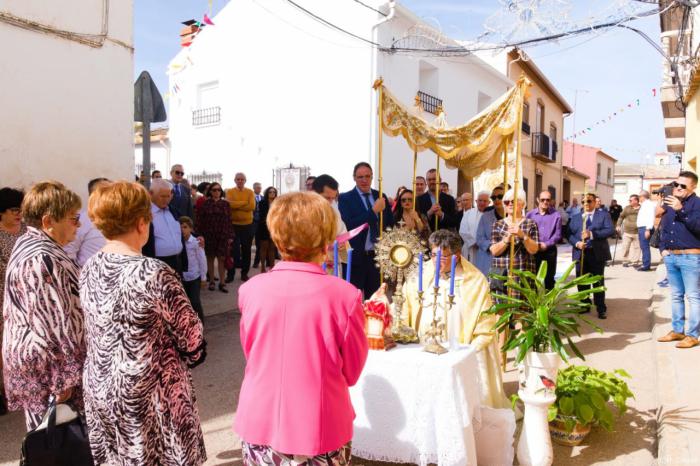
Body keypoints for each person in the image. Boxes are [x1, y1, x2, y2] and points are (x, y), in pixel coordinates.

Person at [235, 191, 368, 465]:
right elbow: (352, 372)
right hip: (319, 424)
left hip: (259, 417)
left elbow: (253, 353)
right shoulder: (345, 296)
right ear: (324, 239)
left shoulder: (251, 289)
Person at [80, 181, 206, 465]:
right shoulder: (152, 271)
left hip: (103, 386)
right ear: (141, 222)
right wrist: (193, 353)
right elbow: (191, 334)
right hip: (152, 393)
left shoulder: (90, 266)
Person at [2, 181, 85, 430]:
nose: (78, 224)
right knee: (57, 442)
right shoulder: (42, 257)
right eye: (73, 218)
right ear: (49, 221)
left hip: (44, 367)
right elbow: (51, 323)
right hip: (50, 371)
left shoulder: (34, 244)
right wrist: (65, 379)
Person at [402, 230, 510, 409]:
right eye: (433, 254)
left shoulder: (474, 280)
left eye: (443, 256)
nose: (436, 260)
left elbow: (486, 321)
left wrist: (468, 351)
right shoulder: (420, 273)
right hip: (424, 347)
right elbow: (405, 304)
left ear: (457, 255)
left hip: (460, 349)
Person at [656, 171, 700, 348]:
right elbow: (663, 228)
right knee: (675, 296)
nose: (678, 188)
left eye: (683, 186)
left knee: (693, 297)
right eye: (676, 185)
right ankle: (677, 330)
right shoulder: (669, 204)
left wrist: (681, 210)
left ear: (693, 187)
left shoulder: (697, 204)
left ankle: (693, 335)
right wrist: (663, 249)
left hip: (691, 256)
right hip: (671, 257)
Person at [338, 162, 394, 299]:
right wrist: (373, 211)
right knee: (353, 299)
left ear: (372, 177)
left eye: (367, 176)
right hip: (356, 258)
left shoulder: (380, 196)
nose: (364, 180)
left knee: (375, 299)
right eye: (360, 177)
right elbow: (349, 225)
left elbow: (389, 224)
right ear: (354, 178)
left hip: (376, 258)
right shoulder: (345, 198)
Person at [0, 187, 26, 415]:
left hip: (26, 297)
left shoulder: (27, 230)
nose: (19, 214)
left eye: (21, 209)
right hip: (3, 296)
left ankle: (20, 389)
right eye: (14, 210)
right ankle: (3, 392)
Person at [568, 193, 614, 319]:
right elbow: (568, 234)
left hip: (597, 254)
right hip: (581, 254)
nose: (586, 204)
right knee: (582, 281)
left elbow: (610, 230)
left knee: (598, 282)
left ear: (595, 202)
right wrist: (577, 243)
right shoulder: (576, 217)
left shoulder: (603, 215)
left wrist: (592, 234)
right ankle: (584, 304)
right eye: (584, 202)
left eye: (589, 201)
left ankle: (600, 308)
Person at [489, 189, 540, 302]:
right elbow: (494, 251)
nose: (510, 204)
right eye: (507, 202)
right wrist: (506, 239)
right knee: (500, 311)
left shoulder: (530, 224)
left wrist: (522, 235)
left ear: (523, 204)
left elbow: (534, 250)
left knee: (521, 314)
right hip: (502, 274)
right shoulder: (497, 224)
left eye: (514, 201)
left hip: (522, 274)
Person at [143, 179, 188, 275]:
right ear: (150, 194)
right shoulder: (144, 214)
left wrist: (196, 237)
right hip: (157, 266)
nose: (166, 199)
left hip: (177, 262)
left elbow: (180, 230)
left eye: (168, 196)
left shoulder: (174, 211)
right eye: (162, 196)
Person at [64, 177, 110, 267]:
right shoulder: (81, 220)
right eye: (104, 191)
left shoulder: (119, 219)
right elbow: (69, 252)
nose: (109, 195)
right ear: (92, 197)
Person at [196, 182, 233, 292]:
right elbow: (199, 220)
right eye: (214, 190)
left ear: (221, 191)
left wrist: (230, 235)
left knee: (222, 259)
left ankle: (222, 283)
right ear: (210, 192)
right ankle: (211, 281)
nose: (216, 192)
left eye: (218, 190)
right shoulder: (205, 204)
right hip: (209, 235)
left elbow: (229, 220)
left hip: (223, 235)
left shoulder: (226, 204)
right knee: (210, 258)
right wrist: (199, 234)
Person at [312, 174, 349, 276]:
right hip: (312, 266)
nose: (330, 202)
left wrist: (342, 245)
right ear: (314, 193)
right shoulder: (302, 212)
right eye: (327, 198)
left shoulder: (334, 211)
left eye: (333, 198)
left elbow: (342, 233)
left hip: (333, 264)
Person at [526, 190, 562, 290]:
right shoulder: (530, 215)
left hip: (549, 251)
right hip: (533, 251)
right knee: (532, 279)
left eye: (548, 200)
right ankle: (534, 304)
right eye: (543, 199)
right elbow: (525, 232)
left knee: (549, 279)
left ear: (551, 201)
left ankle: (548, 305)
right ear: (538, 200)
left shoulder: (556, 215)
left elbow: (558, 235)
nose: (545, 202)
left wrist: (546, 244)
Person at [226, 172, 256, 282]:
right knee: (232, 251)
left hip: (247, 225)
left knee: (246, 250)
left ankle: (244, 273)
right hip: (234, 225)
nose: (240, 181)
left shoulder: (250, 192)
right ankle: (231, 274)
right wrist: (244, 203)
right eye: (238, 179)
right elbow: (229, 205)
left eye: (242, 179)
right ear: (235, 180)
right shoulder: (230, 191)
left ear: (245, 181)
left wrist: (236, 204)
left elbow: (252, 206)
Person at [180, 216, 208, 321]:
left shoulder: (196, 243)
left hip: (194, 277)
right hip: (183, 278)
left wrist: (203, 277)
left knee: (195, 302)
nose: (182, 230)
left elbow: (202, 260)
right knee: (185, 304)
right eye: (180, 228)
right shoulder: (178, 243)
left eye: (185, 227)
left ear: (191, 228)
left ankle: (200, 324)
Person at [474, 185, 505, 277]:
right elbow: (479, 238)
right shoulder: (485, 216)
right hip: (487, 259)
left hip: (505, 260)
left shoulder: (513, 217)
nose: (496, 200)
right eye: (493, 197)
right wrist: (496, 246)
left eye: (500, 197)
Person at [460, 191, 489, 263]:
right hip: (470, 248)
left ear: (489, 202)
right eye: (480, 200)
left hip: (486, 249)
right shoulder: (468, 213)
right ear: (476, 201)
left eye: (485, 201)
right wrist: (474, 243)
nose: (482, 203)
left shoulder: (492, 215)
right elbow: (463, 231)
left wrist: (484, 244)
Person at [256, 186, 278, 273]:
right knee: (263, 248)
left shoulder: (278, 203)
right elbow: (262, 215)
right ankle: (262, 267)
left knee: (272, 248)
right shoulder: (262, 202)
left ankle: (272, 267)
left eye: (274, 192)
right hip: (264, 227)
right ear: (267, 193)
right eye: (270, 192)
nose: (272, 193)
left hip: (274, 227)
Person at [617, 195, 641, 267]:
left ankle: (635, 261)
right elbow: (621, 217)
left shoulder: (642, 208)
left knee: (637, 247)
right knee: (625, 247)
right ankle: (625, 261)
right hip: (627, 232)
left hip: (638, 232)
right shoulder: (627, 208)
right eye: (629, 200)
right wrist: (618, 225)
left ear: (636, 201)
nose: (629, 201)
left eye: (631, 200)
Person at [636, 190, 657, 271]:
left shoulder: (648, 204)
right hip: (643, 228)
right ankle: (645, 264)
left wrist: (647, 229)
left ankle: (646, 265)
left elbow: (651, 217)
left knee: (645, 247)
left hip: (645, 228)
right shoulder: (645, 204)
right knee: (643, 247)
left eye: (639, 197)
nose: (639, 198)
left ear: (642, 196)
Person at [252, 182, 263, 268]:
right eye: (257, 188)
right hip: (251, 223)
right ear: (254, 188)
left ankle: (256, 262)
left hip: (261, 223)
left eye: (260, 188)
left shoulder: (263, 198)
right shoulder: (250, 197)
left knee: (259, 244)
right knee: (248, 243)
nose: (259, 189)